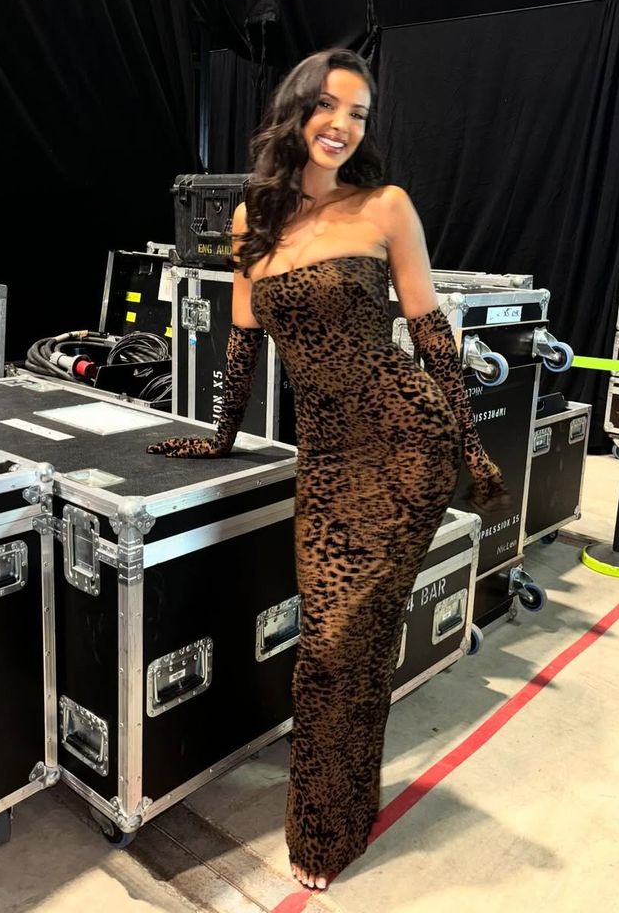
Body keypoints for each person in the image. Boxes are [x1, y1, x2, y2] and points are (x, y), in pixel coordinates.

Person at [147, 48, 506, 891]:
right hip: (327, 456)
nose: (344, 126)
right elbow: (240, 343)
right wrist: (220, 438)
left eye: (360, 115)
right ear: (297, 111)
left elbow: (429, 334)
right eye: (331, 108)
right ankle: (338, 806)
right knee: (328, 644)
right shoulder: (252, 222)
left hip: (403, 443)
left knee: (344, 643)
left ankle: (329, 830)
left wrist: (468, 443)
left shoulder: (384, 206)